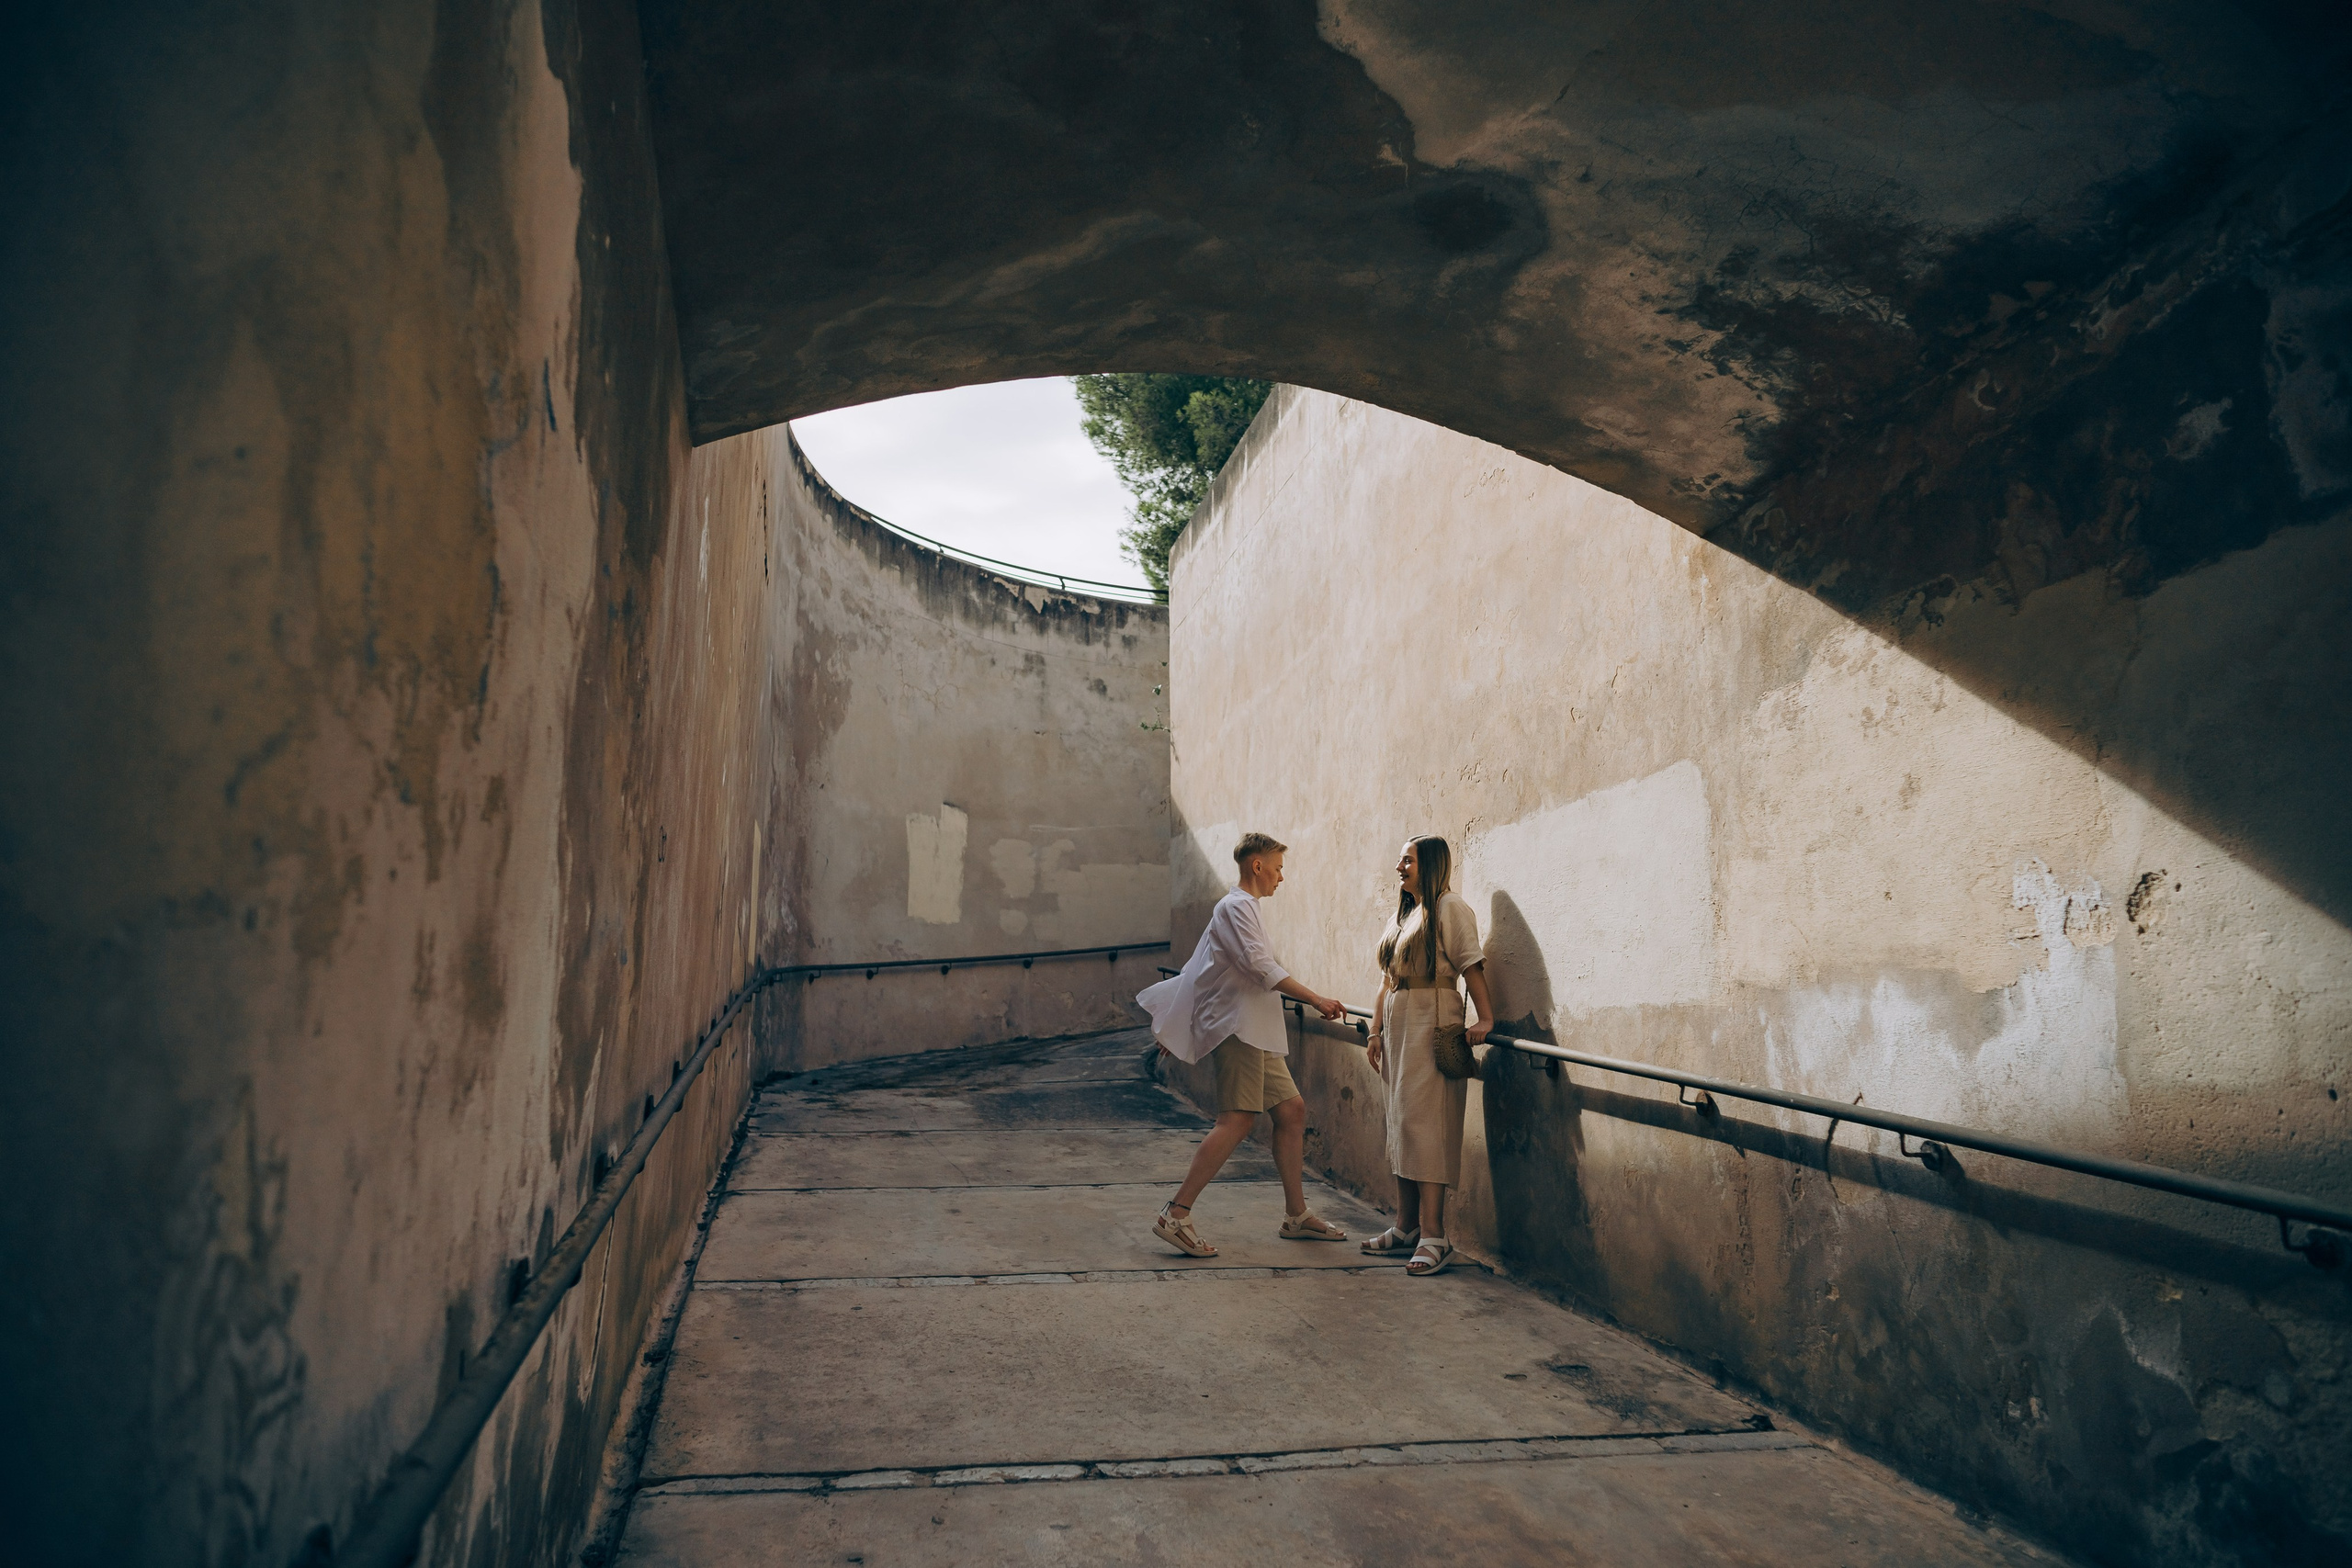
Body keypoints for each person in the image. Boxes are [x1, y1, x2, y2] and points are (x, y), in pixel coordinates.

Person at [1136, 831, 1351, 1257]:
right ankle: (1175, 1214)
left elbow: (1200, 967)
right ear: (1258, 865)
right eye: (1278, 867)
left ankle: (1296, 1215)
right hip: (1239, 1030)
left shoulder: (1239, 908)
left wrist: (1179, 1020)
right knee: (1236, 1120)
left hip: (1255, 1029)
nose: (1281, 877)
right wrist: (1315, 998)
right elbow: (1259, 966)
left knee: (1291, 1111)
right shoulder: (1236, 906)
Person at [1361, 835, 1496, 1277]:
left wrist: (1485, 1019)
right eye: (1399, 859)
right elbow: (1387, 982)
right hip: (1399, 1027)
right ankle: (1405, 1227)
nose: (1399, 867)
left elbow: (1471, 965)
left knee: (1428, 1126)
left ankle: (1434, 1233)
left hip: (1431, 1022)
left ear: (1431, 864)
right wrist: (1375, 1030)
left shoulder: (1449, 907)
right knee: (1400, 1123)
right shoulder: (1405, 912)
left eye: (1408, 861)